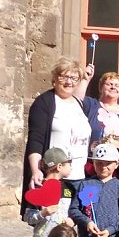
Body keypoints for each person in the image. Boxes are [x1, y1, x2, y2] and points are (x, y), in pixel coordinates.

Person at [22, 58, 92, 217]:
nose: (69, 82)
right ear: (55, 78)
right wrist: (35, 170)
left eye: (74, 78)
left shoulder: (78, 102)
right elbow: (36, 139)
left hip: (78, 175)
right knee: (50, 221)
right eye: (64, 77)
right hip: (56, 177)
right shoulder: (44, 103)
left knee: (70, 221)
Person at [22, 147, 75, 237]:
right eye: (69, 164)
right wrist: (43, 213)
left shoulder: (68, 188)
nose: (71, 168)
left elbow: (72, 211)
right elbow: (28, 216)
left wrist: (73, 220)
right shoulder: (38, 188)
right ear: (59, 167)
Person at [77, 71, 119, 145]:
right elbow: (76, 101)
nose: (113, 87)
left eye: (117, 85)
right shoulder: (91, 105)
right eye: (109, 84)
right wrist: (85, 80)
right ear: (101, 88)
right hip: (92, 155)